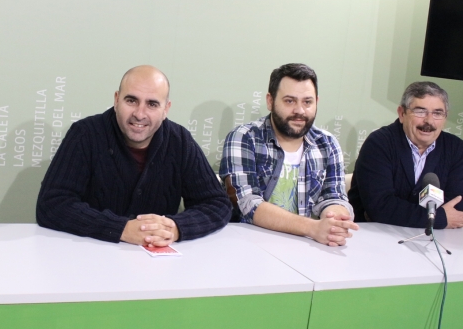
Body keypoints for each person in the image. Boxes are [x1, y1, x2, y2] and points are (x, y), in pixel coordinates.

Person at [36, 65, 231, 246]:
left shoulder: (179, 141)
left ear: (166, 109)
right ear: (116, 100)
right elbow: (51, 204)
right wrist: (120, 229)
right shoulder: (85, 134)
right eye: (131, 100)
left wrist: (175, 228)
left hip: (157, 263)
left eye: (152, 104)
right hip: (91, 254)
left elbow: (217, 203)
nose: (139, 114)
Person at [220, 63, 357, 246]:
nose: (299, 110)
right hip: (250, 245)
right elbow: (247, 203)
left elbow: (334, 197)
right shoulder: (244, 137)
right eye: (290, 101)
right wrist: (313, 228)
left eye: (307, 102)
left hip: (308, 246)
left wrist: (335, 220)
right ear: (270, 101)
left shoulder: (327, 143)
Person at [349, 81, 463, 228]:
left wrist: (412, 215)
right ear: (402, 114)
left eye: (437, 113)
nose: (429, 121)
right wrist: (437, 218)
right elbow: (380, 207)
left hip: (434, 236)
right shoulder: (379, 143)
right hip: (373, 233)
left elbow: (456, 205)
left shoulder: (456, 148)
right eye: (420, 111)